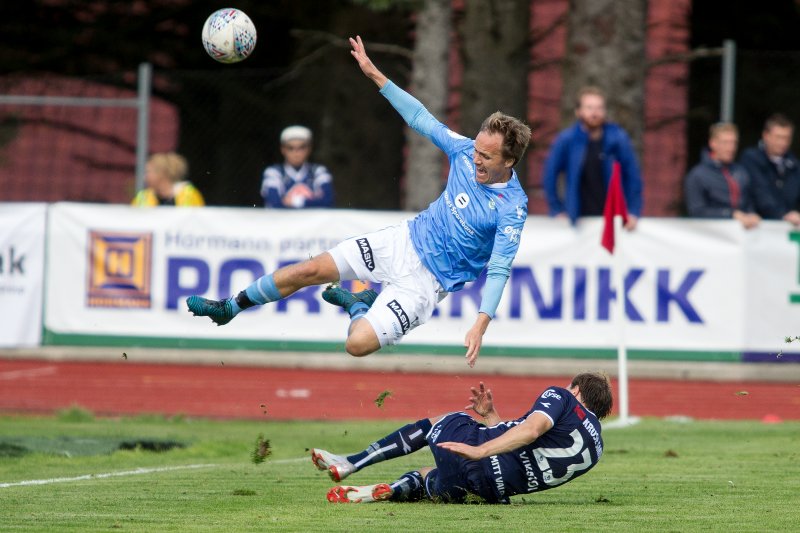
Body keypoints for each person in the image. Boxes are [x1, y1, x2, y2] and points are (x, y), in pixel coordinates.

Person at [186, 35, 531, 368]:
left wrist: (480, 324)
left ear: (509, 161)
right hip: (402, 241)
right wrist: (374, 74)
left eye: (486, 156)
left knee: (357, 345)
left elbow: (499, 269)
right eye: (476, 151)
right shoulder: (463, 150)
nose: (475, 160)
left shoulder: (511, 208)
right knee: (310, 269)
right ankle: (231, 306)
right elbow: (421, 118)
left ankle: (357, 304)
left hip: (426, 284)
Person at [311, 372, 613, 504]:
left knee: (442, 421)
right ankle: (392, 489)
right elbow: (530, 452)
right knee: (429, 477)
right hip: (488, 491)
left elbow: (531, 431)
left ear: (575, 390)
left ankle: (351, 462)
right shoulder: (596, 447)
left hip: (481, 459)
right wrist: (491, 416)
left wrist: (481, 450)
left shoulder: (562, 397)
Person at [542, 86, 642, 230]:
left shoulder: (618, 139)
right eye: (589, 108)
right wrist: (557, 209)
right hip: (577, 222)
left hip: (613, 222)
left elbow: (633, 177)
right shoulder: (567, 140)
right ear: (578, 111)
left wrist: (633, 211)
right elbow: (549, 175)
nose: (594, 113)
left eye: (599, 108)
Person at [684, 122, 760, 229]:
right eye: (725, 143)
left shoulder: (741, 171)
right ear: (713, 143)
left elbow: (748, 202)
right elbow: (697, 211)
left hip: (740, 237)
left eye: (733, 143)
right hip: (711, 237)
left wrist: (751, 214)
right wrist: (730, 214)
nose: (731, 148)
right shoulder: (698, 175)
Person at [739, 113, 800, 226]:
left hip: (788, 229)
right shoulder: (751, 159)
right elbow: (760, 192)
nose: (782, 142)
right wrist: (782, 215)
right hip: (759, 228)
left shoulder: (794, 165)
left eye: (786, 138)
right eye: (778, 137)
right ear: (765, 135)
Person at [260, 125, 334, 208]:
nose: (296, 153)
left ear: (309, 149)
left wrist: (296, 201)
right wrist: (312, 202)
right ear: (282, 149)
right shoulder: (273, 172)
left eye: (301, 147)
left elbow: (328, 201)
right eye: (290, 148)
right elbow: (274, 203)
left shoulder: (319, 171)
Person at [131, 152, 205, 207]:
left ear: (161, 174)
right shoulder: (143, 197)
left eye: (148, 172)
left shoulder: (188, 195)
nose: (144, 177)